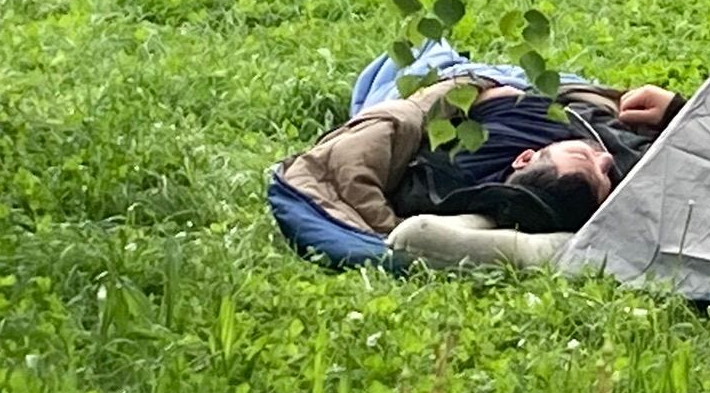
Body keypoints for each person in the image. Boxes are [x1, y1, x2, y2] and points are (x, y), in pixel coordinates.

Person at [266, 49, 687, 269]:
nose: (604, 160)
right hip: (506, 87)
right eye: (601, 173)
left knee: (409, 62)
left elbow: (345, 170)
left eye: (592, 165)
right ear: (525, 158)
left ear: (526, 159)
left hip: (474, 87)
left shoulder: (448, 175)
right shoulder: (620, 159)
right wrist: (675, 111)